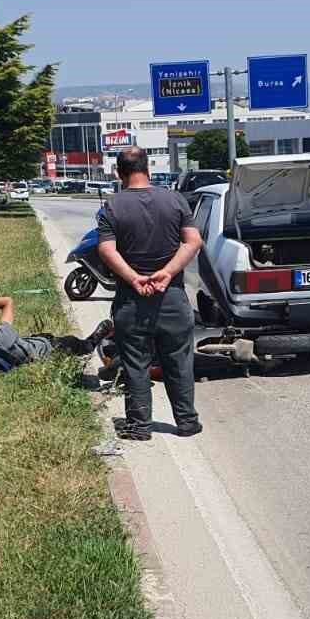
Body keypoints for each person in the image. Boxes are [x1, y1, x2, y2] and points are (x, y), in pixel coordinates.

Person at [96, 146, 202, 441]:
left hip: (132, 300)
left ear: (119, 173)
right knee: (179, 361)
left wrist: (133, 278)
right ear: (148, 170)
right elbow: (193, 242)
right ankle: (187, 422)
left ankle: (140, 427)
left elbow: (106, 249)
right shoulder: (175, 200)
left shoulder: (112, 206)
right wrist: (167, 273)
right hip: (172, 298)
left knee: (135, 363)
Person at [0, 296, 114, 376]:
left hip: (31, 345)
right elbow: (7, 302)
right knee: (77, 343)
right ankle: (94, 344)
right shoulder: (0, 338)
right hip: (51, 347)